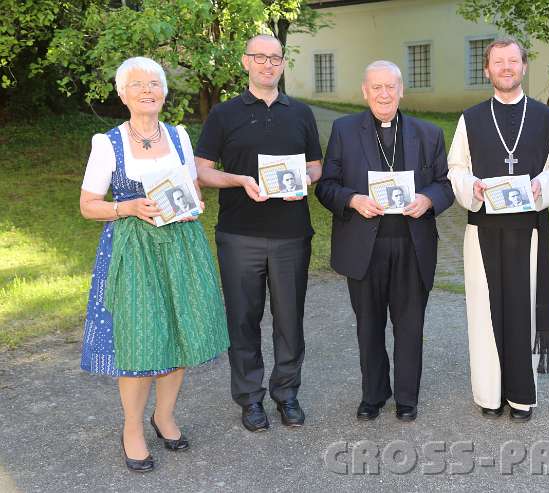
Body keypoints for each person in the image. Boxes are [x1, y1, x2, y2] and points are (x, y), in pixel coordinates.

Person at [79, 57, 229, 473]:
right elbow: (88, 206)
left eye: (155, 84)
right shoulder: (107, 143)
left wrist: (195, 204)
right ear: (123, 93)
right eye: (138, 84)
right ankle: (132, 428)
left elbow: (193, 190)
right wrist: (126, 207)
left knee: (181, 332)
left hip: (181, 245)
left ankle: (163, 416)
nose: (148, 90)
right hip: (134, 249)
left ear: (164, 92)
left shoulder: (180, 135)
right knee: (140, 338)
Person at [194, 34, 322, 432]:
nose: (269, 65)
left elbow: (317, 166)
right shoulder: (224, 114)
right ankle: (250, 399)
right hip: (239, 234)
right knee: (243, 319)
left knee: (290, 319)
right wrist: (240, 180)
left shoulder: (300, 112)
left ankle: (287, 394)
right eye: (260, 58)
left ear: (283, 64)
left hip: (291, 234)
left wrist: (304, 178)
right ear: (246, 62)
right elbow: (201, 170)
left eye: (276, 58)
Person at [316, 60, 454, 422]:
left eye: (390, 86)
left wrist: (428, 200)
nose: (383, 94)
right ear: (364, 92)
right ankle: (373, 395)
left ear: (401, 90)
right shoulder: (344, 131)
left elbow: (445, 184)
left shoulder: (428, 133)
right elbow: (326, 185)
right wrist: (352, 199)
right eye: (375, 87)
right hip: (364, 246)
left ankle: (407, 399)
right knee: (369, 325)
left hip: (412, 244)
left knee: (410, 325)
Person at [447, 38, 549, 422]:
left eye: (513, 61)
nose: (506, 67)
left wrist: (541, 187)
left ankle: (521, 395)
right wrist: (473, 187)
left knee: (524, 310)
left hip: (528, 228)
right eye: (498, 62)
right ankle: (489, 393)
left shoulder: (545, 117)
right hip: (482, 229)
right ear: (487, 70)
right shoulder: (470, 118)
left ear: (523, 67)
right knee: (485, 312)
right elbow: (456, 168)